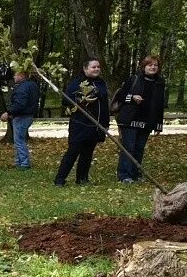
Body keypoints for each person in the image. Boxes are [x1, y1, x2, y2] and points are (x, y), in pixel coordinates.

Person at [54, 58, 110, 186]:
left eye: (98, 67)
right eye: (93, 67)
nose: (96, 69)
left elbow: (104, 105)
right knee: (73, 151)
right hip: (80, 124)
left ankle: (82, 178)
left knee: (88, 153)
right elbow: (67, 101)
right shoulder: (78, 82)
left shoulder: (101, 83)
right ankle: (60, 179)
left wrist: (105, 124)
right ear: (85, 69)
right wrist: (83, 100)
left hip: (96, 125)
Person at [112, 55, 166, 183]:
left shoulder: (160, 83)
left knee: (139, 148)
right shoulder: (134, 79)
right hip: (130, 119)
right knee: (128, 147)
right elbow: (120, 96)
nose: (153, 67)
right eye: (150, 65)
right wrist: (132, 98)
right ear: (144, 67)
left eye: (155, 65)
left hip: (147, 121)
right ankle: (124, 175)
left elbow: (160, 104)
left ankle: (135, 174)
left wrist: (159, 125)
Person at [0, 69, 40, 169]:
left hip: (22, 116)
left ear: (21, 75)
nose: (14, 77)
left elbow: (20, 104)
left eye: (16, 75)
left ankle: (24, 163)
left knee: (19, 140)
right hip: (28, 115)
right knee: (19, 139)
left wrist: (9, 112)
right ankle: (19, 161)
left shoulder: (22, 87)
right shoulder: (32, 85)